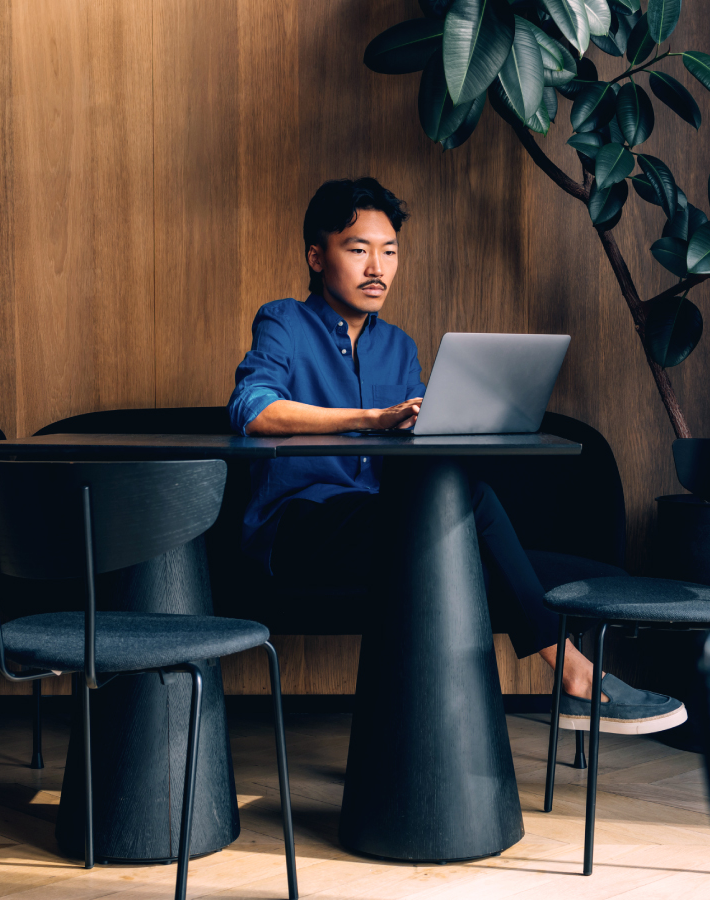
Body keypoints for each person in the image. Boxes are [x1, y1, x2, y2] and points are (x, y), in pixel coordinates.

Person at [228, 177, 685, 734]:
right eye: (359, 249)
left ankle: (475, 725)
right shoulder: (283, 322)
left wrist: (453, 424)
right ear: (316, 257)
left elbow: (411, 447)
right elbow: (253, 410)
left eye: (390, 251)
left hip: (380, 527)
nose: (378, 268)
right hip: (300, 528)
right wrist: (372, 420)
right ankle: (576, 678)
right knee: (471, 505)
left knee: (468, 522)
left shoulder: (397, 345)